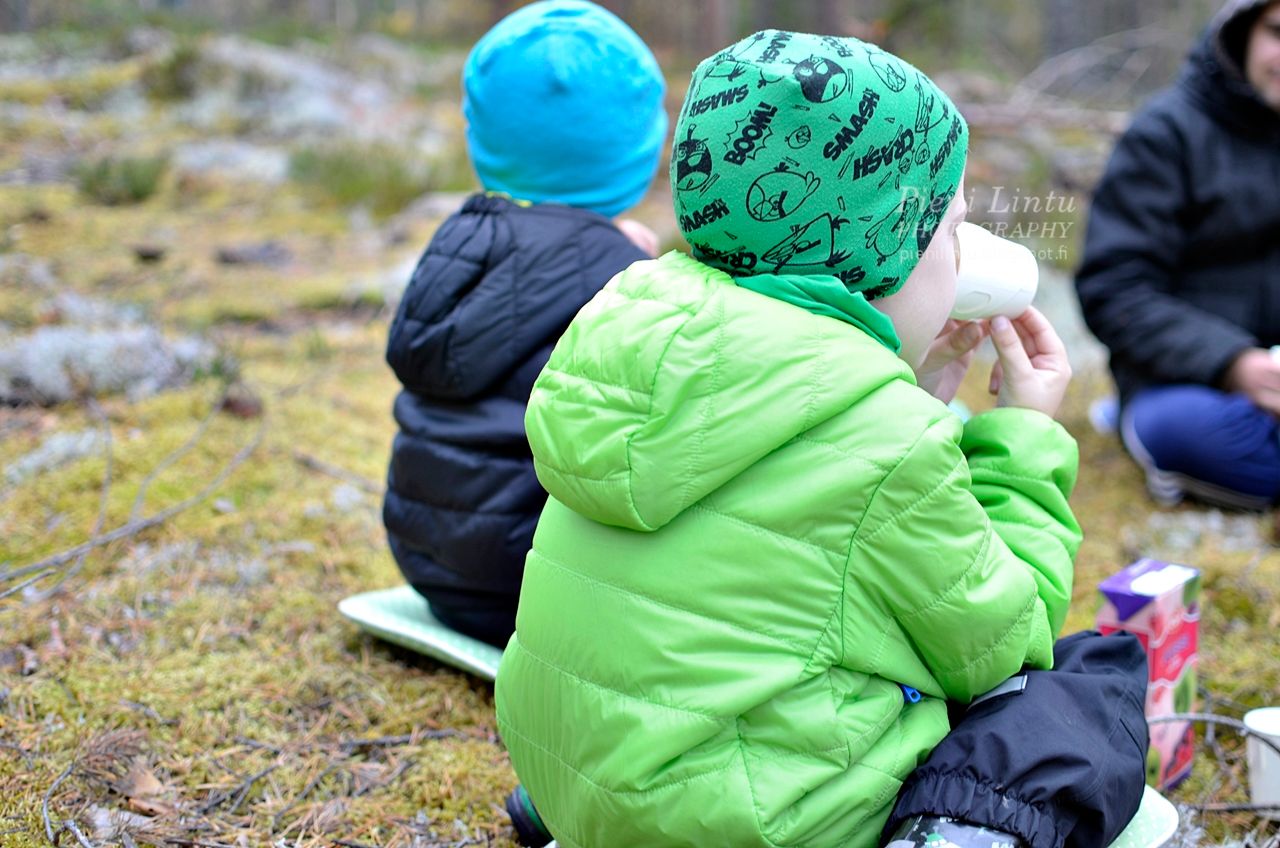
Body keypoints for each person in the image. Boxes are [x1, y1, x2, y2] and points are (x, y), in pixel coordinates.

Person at [495, 30, 1148, 848]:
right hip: (752, 827)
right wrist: (1025, 435)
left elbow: (789, 509)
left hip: (574, 779)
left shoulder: (629, 333)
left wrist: (908, 391)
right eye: (950, 228)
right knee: (1089, 685)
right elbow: (1004, 640)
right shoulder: (887, 440)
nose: (959, 257)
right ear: (886, 244)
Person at [381, 0, 666, 648]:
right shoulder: (630, 283)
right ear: (641, 148)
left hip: (429, 565)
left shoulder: (458, 247)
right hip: (539, 585)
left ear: (481, 138)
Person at [1076, 0, 1280, 509]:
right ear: (1242, 32)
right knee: (1187, 432)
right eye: (1277, 32)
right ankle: (1133, 424)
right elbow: (1114, 289)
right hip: (1187, 382)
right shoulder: (1166, 132)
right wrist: (1233, 363)